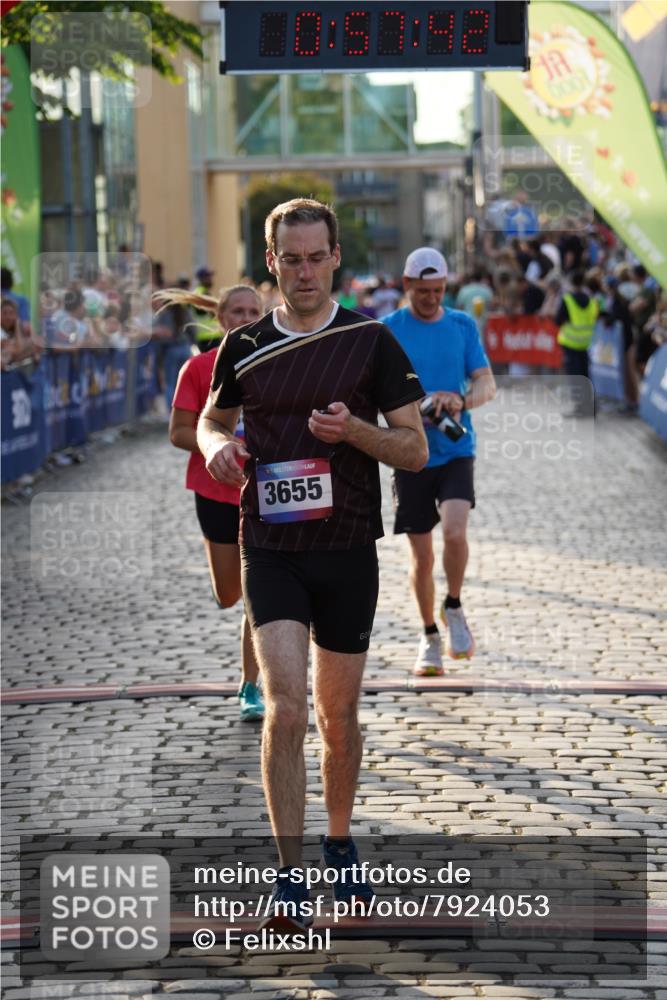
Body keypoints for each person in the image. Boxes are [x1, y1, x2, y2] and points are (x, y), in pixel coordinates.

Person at [197, 197, 428, 929]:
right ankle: (288, 874)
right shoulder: (243, 347)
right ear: (271, 262)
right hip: (270, 545)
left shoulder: (371, 342)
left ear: (335, 258)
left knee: (336, 714)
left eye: (314, 257)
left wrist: (355, 431)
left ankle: (338, 839)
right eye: (288, 259)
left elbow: (415, 448)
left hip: (347, 550)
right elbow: (210, 419)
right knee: (286, 705)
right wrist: (217, 449)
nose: (303, 271)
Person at [383, 248, 496, 675]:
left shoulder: (461, 325)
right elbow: (374, 392)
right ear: (407, 285)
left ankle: (454, 606)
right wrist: (416, 406)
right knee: (422, 557)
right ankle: (429, 634)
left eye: (439, 291)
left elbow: (488, 384)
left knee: (454, 530)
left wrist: (459, 400)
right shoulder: (388, 330)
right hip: (409, 453)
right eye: (423, 291)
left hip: (455, 449)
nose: (432, 299)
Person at [164, 284, 265, 722]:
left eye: (253, 312)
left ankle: (251, 684)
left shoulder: (276, 364)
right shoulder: (199, 368)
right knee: (230, 594)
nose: (244, 319)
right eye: (236, 312)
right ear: (221, 319)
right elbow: (178, 431)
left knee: (260, 592)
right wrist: (217, 445)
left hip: (265, 492)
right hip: (214, 490)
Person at [556, 270, 599, 380]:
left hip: (570, 342)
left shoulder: (567, 299)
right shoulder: (592, 300)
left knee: (574, 373)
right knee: (584, 372)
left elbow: (558, 320)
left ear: (571, 282)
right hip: (586, 342)